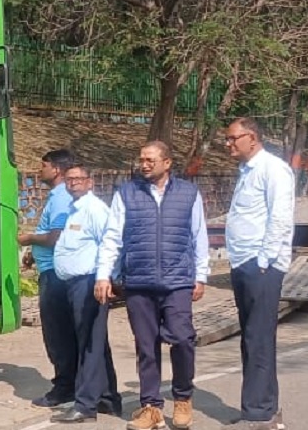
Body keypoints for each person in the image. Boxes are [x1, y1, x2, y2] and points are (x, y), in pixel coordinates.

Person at [95, 141, 208, 430]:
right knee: (146, 346)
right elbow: (112, 237)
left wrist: (201, 275)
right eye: (141, 159)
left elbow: (199, 236)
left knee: (182, 339)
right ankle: (151, 407)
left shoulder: (188, 194)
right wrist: (103, 275)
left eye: (150, 159)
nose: (144, 164)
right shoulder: (126, 193)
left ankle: (182, 398)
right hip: (139, 281)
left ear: (167, 163)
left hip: (178, 281)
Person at [221, 118, 295, 430]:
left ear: (252, 137)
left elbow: (279, 216)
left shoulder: (273, 169)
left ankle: (264, 412)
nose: (228, 144)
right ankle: (254, 407)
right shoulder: (247, 170)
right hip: (243, 263)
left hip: (260, 265)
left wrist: (264, 260)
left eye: (232, 138)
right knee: (250, 338)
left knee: (260, 337)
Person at [50, 164, 122, 423]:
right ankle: (108, 398)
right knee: (94, 342)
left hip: (90, 282)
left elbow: (112, 242)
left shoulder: (94, 209)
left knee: (90, 344)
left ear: (90, 182)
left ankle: (86, 404)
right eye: (69, 180)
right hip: (74, 284)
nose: (73, 183)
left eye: (79, 179)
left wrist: (106, 278)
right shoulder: (74, 209)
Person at [17, 148, 78, 408]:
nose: (39, 170)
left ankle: (65, 387)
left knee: (58, 334)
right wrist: (34, 251)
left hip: (56, 274)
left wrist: (28, 239)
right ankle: (70, 383)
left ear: (57, 170)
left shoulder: (63, 196)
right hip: (50, 269)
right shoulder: (57, 196)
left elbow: (56, 237)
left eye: (43, 166)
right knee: (60, 332)